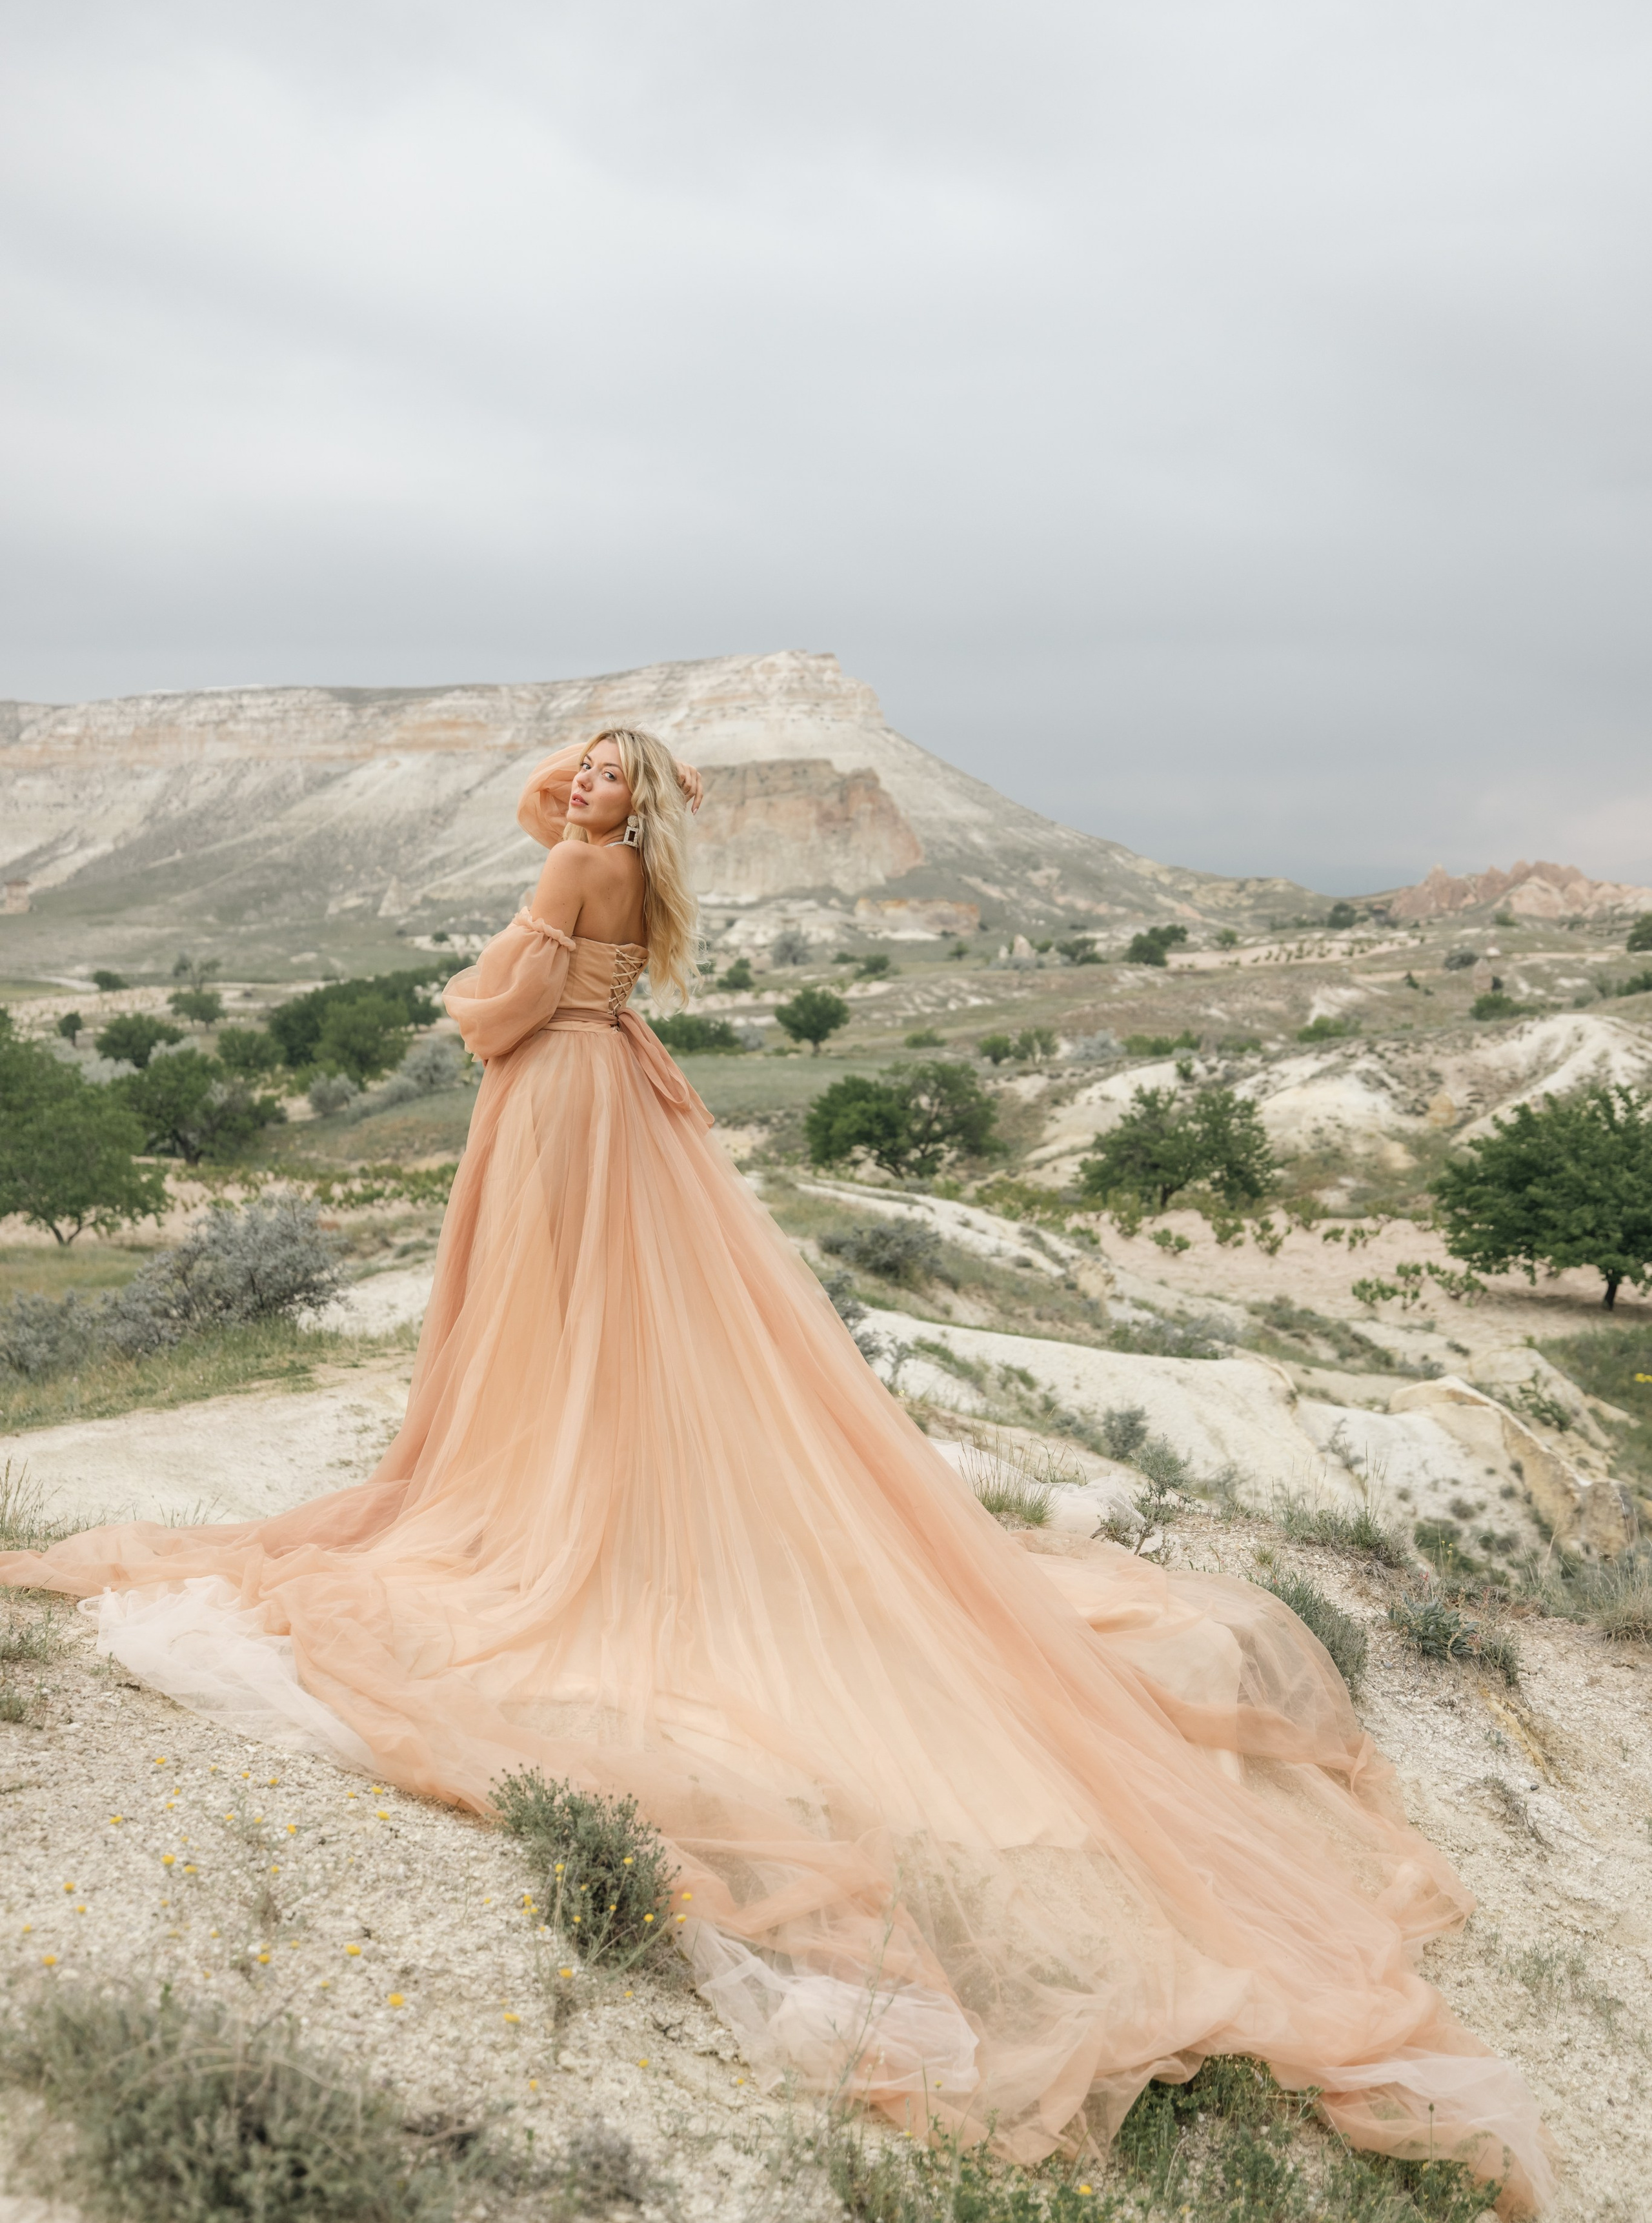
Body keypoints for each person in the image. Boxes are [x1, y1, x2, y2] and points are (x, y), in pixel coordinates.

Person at [1, 730, 1550, 2213]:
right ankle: (572, 1472)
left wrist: (501, 923)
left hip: (552, 1097)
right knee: (603, 1319)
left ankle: (549, 1492)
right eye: (584, 764)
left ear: (639, 797)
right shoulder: (628, 866)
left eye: (614, 770)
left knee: (552, 1311)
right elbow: (563, 873)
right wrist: (589, 793)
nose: (585, 783)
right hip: (616, 1094)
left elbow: (492, 1010)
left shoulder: (570, 870)